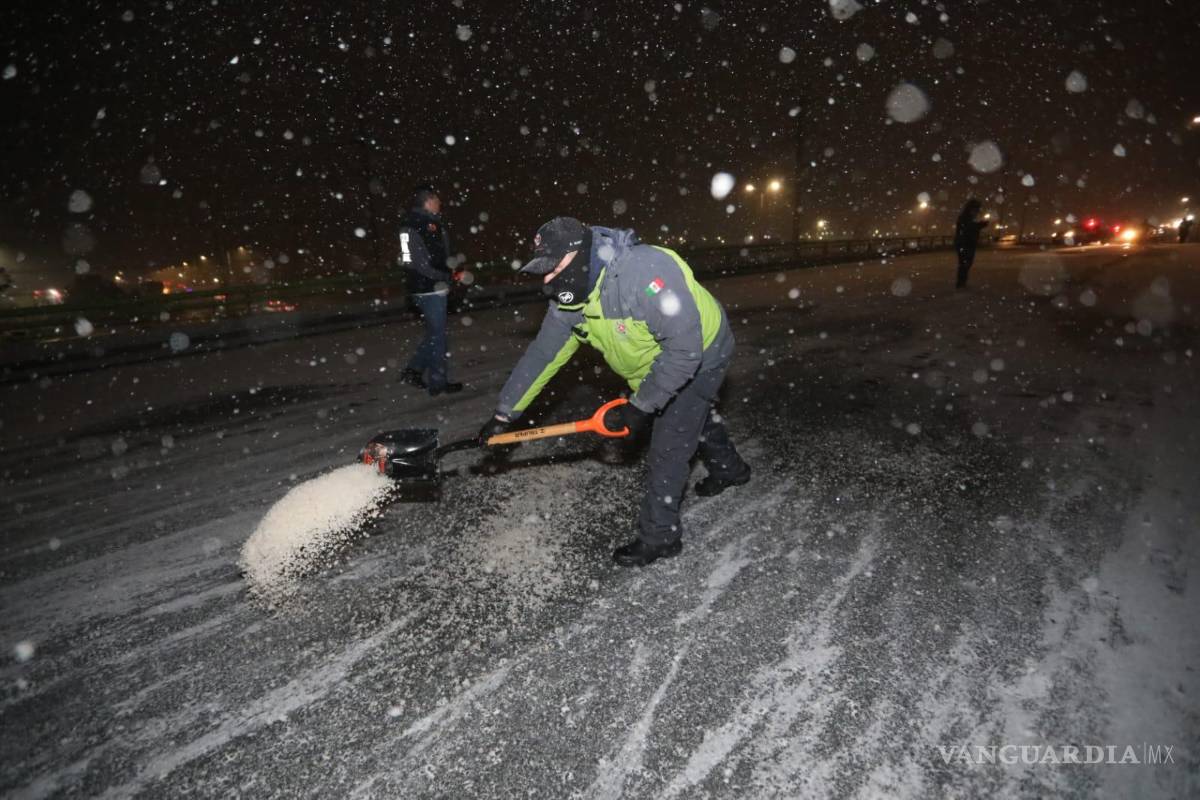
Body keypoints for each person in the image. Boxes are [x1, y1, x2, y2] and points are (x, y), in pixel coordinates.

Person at [477, 217, 751, 567]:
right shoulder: (569, 302)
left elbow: (684, 351)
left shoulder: (645, 274)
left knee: (669, 445)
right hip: (653, 364)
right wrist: (505, 413)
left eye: (553, 269)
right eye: (543, 273)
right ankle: (731, 469)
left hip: (701, 354)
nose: (548, 282)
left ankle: (660, 536)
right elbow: (544, 354)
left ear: (580, 258)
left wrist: (641, 406)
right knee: (690, 420)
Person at [398, 186, 463, 394]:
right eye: (437, 199)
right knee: (438, 338)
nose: (440, 203)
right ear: (428, 201)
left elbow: (418, 260)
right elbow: (420, 263)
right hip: (429, 287)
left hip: (422, 286)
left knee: (435, 333)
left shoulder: (413, 223)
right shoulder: (423, 224)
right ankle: (438, 383)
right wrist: (443, 276)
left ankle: (413, 370)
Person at [954, 199, 989, 289]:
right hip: (965, 244)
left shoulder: (966, 217)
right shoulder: (965, 218)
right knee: (965, 263)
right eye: (976, 210)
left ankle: (962, 282)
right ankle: (961, 283)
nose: (977, 212)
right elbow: (969, 229)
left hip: (966, 244)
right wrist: (980, 225)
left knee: (965, 263)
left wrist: (979, 225)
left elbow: (969, 228)